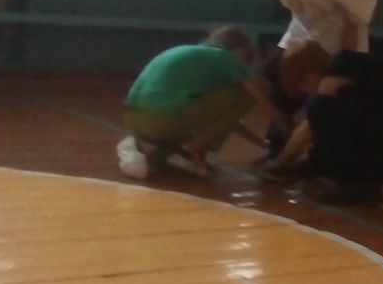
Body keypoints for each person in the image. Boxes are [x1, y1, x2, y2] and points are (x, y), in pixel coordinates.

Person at [223, 0, 377, 156]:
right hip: (306, 34)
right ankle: (279, 145)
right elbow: (300, 12)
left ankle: (317, 153)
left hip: (336, 39)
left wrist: (345, 57)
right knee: (271, 79)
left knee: (323, 99)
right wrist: (289, 48)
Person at [258, 42, 383, 205]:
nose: (306, 92)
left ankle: (360, 184)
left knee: (319, 107)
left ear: (308, 76)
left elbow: (310, 126)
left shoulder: (336, 72)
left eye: (303, 87)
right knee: (329, 136)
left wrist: (279, 162)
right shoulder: (344, 64)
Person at [119, 26, 286, 178]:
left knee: (190, 115)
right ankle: (198, 148)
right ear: (239, 47)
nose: (247, 63)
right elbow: (261, 100)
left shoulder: (194, 55)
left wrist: (260, 143)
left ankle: (157, 155)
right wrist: (287, 132)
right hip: (163, 118)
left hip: (134, 119)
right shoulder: (225, 58)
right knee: (253, 88)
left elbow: (224, 119)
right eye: (248, 55)